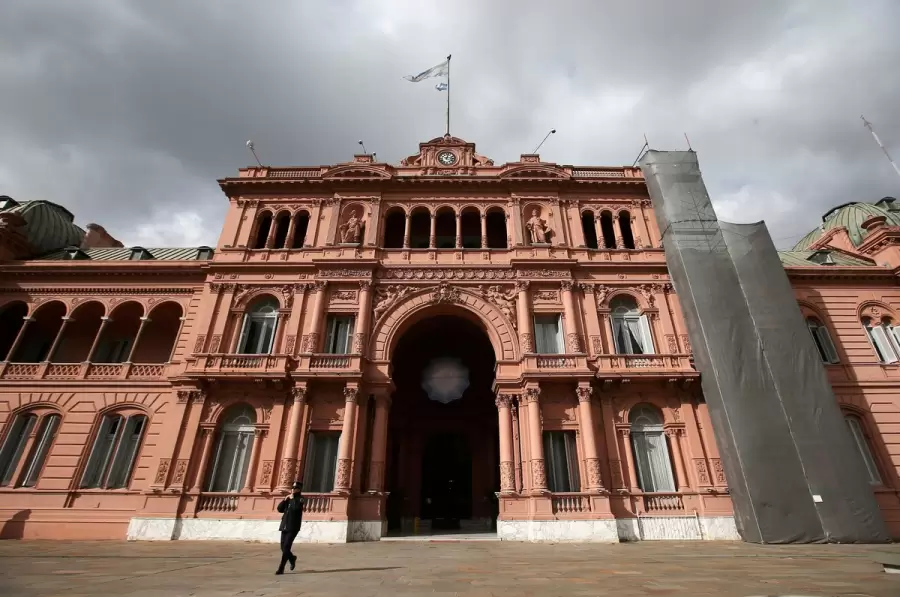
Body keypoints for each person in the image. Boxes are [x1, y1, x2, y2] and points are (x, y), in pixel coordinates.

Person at [275, 481, 305, 575]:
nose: (292, 490)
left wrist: (292, 499)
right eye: (292, 488)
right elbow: (279, 509)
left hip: (293, 526)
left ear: (299, 489)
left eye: (294, 488)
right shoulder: (288, 498)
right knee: (282, 547)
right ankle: (292, 558)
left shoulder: (300, 499)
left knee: (287, 547)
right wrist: (285, 499)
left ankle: (281, 568)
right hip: (284, 526)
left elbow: (296, 509)